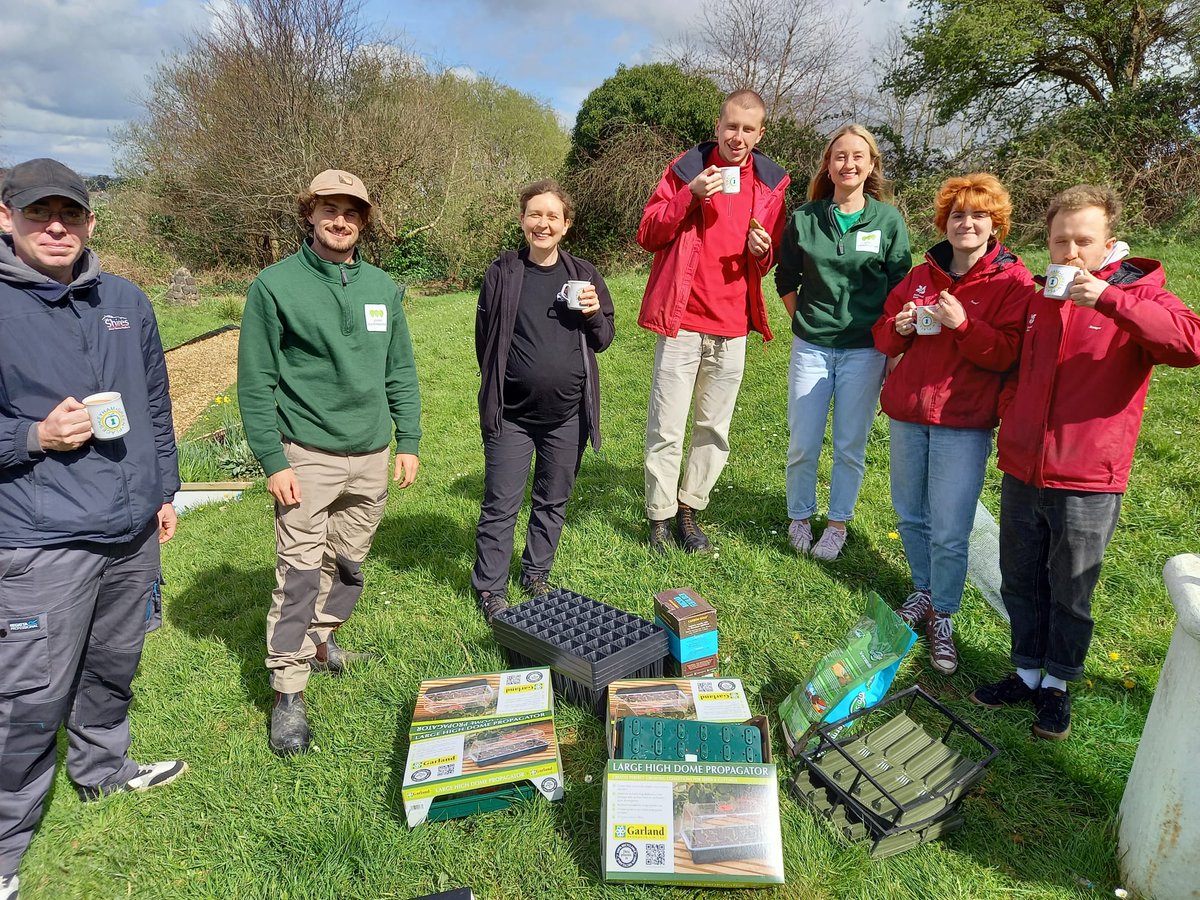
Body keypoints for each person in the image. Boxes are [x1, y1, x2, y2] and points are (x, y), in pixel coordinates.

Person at [0, 158, 185, 900]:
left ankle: (103, 770)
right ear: (5, 217)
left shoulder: (128, 301)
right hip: (42, 538)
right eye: (39, 213)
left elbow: (157, 405)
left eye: (69, 214)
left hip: (131, 529)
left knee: (115, 663)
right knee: (29, 694)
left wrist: (165, 490)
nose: (55, 226)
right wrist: (32, 437)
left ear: (89, 223)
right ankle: (6, 843)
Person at [971, 184, 1200, 740]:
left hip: (1089, 476)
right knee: (1020, 578)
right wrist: (1013, 413)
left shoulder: (1140, 295)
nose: (1070, 253)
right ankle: (1026, 672)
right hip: (1024, 466)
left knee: (1071, 587)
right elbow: (1016, 367)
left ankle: (1058, 686)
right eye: (1059, 241)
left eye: (1083, 241)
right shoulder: (1038, 297)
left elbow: (1189, 344)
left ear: (1109, 244)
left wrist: (1108, 300)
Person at [237, 169, 421, 756]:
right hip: (306, 457)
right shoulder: (274, 287)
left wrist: (409, 440)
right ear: (310, 215)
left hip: (371, 456)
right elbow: (256, 383)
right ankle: (288, 691)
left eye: (351, 212)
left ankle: (322, 640)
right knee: (297, 576)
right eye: (328, 210)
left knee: (347, 566)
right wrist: (274, 459)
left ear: (363, 220)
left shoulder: (383, 289)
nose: (340, 221)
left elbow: (401, 371)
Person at [872, 173, 1033, 675]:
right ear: (945, 222)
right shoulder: (922, 276)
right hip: (909, 411)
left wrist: (963, 324)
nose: (967, 223)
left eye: (978, 215)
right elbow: (884, 337)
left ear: (995, 224)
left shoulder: (1013, 282)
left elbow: (1008, 352)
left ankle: (943, 611)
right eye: (958, 215)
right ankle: (922, 590)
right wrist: (897, 328)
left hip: (963, 419)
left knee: (950, 525)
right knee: (908, 513)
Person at [638, 89, 790, 554]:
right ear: (717, 127)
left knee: (713, 429)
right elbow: (648, 232)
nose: (738, 136)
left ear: (760, 134)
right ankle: (660, 519)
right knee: (666, 425)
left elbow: (767, 258)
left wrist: (762, 254)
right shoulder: (686, 170)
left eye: (748, 129)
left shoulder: (771, 185)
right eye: (731, 126)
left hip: (731, 326)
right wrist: (689, 196)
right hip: (682, 321)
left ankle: (689, 511)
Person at [472, 180, 615, 620]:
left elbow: (605, 338)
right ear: (522, 220)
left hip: (567, 415)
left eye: (553, 216)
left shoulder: (584, 275)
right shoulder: (503, 272)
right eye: (535, 214)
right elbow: (485, 339)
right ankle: (490, 589)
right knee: (502, 503)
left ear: (566, 225)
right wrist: (504, 382)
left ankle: (536, 573)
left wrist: (592, 314)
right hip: (512, 415)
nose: (543, 223)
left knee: (552, 499)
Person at [775, 124, 911, 561]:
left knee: (850, 444)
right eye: (839, 156)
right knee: (803, 439)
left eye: (858, 156)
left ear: (871, 165)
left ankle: (836, 525)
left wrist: (892, 351)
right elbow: (785, 277)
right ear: (828, 166)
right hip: (811, 347)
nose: (848, 164)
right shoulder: (804, 218)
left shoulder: (888, 221)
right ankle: (799, 516)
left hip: (865, 351)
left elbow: (900, 289)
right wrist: (807, 322)